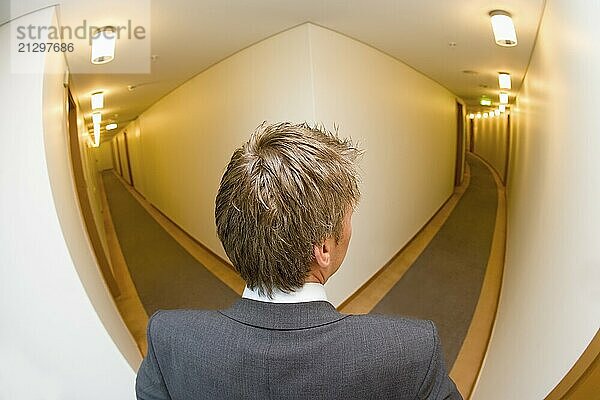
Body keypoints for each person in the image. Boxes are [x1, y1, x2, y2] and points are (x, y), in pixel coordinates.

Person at [136, 122, 462, 399]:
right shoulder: (410, 350)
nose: (350, 227)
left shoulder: (169, 340)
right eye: (348, 216)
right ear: (323, 249)